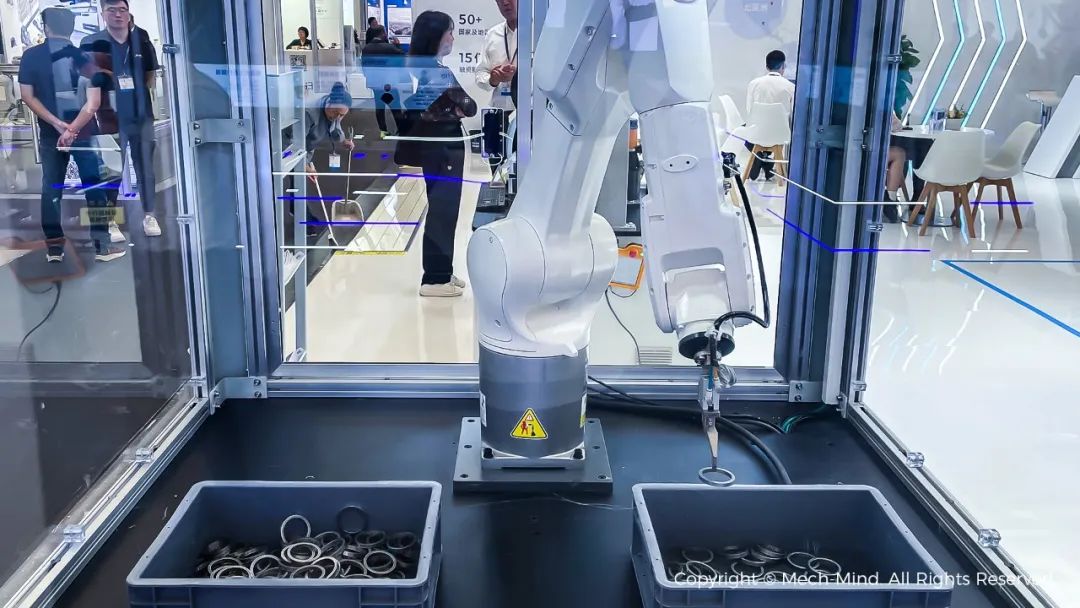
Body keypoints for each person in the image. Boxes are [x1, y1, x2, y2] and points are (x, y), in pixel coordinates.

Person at [19, 7, 125, 262]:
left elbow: (27, 96)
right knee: (94, 186)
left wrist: (58, 125)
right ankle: (101, 246)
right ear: (71, 27)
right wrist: (73, 129)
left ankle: (54, 248)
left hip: (50, 132)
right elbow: (93, 103)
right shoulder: (84, 57)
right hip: (85, 131)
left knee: (51, 187)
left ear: (46, 27)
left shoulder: (31, 56)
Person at [397, 11, 476, 297]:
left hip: (437, 146)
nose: (453, 37)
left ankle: (441, 270)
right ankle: (435, 279)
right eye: (449, 32)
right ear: (436, 37)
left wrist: (450, 109)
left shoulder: (423, 69)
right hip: (444, 147)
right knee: (444, 209)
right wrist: (453, 110)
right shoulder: (439, 73)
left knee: (442, 208)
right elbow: (470, 106)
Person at [81, 0, 162, 238]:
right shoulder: (91, 42)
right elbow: (85, 78)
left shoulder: (141, 38)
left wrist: (134, 95)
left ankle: (149, 215)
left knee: (145, 167)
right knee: (110, 170)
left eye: (122, 10)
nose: (118, 14)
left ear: (128, 12)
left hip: (140, 115)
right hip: (107, 116)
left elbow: (149, 74)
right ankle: (110, 221)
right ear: (103, 13)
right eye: (112, 10)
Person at [475, 0, 517, 174]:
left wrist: (518, 77)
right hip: (498, 114)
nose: (505, 3)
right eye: (499, 0)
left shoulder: (538, 33)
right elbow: (480, 73)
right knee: (498, 174)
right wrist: (493, 79)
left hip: (528, 115)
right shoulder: (493, 34)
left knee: (526, 173)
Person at [745, 49, 795, 181]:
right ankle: (766, 164)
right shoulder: (791, 87)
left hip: (757, 133)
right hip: (781, 134)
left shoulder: (754, 84)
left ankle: (760, 160)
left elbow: (749, 110)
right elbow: (793, 114)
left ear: (767, 67)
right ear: (783, 66)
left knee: (745, 130)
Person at [361, 25, 406, 136]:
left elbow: (364, 66)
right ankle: (402, 130)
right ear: (382, 34)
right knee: (395, 107)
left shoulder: (366, 48)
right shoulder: (388, 47)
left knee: (379, 107)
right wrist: (398, 45)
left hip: (375, 83)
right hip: (388, 83)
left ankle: (383, 131)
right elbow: (403, 57)